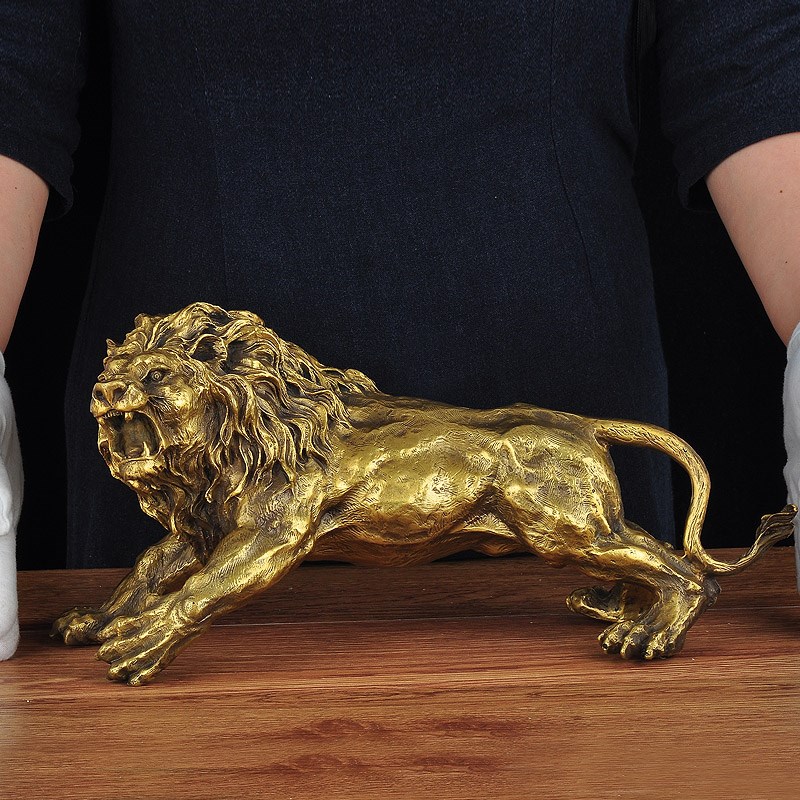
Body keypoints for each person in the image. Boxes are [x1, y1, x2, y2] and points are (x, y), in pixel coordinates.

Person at [1, 2, 800, 661]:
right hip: (186, 428)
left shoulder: (292, 466)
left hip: (554, 387)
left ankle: (668, 583)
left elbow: (758, 51)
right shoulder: (246, 432)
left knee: (591, 565)